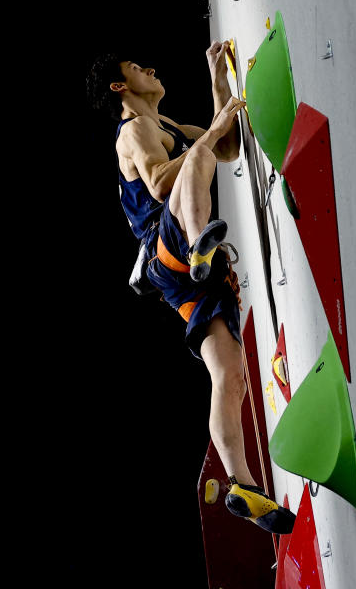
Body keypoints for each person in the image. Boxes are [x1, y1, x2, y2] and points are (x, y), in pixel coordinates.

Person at [86, 42, 295, 534]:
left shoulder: (169, 127)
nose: (150, 67)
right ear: (121, 87)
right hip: (170, 248)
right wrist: (212, 136)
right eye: (137, 67)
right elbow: (161, 184)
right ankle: (202, 243)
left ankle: (242, 484)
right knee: (197, 156)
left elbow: (228, 148)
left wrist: (217, 80)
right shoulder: (134, 130)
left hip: (184, 276)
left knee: (230, 374)